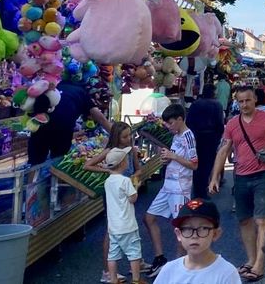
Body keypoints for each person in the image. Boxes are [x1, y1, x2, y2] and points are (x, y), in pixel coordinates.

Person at [209, 86, 265, 281]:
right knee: (244, 220)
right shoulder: (233, 124)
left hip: (263, 176)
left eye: (247, 100)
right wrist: (215, 176)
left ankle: (260, 263)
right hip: (241, 177)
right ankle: (251, 259)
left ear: (255, 100)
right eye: (240, 101)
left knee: (262, 221)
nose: (244, 105)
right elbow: (223, 150)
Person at [144, 104, 198, 277]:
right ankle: (160, 258)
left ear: (180, 119)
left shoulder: (189, 136)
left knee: (180, 229)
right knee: (148, 218)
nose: (168, 126)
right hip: (168, 186)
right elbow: (174, 157)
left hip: (180, 188)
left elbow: (194, 164)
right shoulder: (176, 136)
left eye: (170, 122)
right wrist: (166, 158)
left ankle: (180, 267)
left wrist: (173, 156)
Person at [85, 122, 142, 283]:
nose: (128, 138)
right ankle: (108, 271)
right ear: (116, 137)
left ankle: (132, 263)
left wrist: (135, 179)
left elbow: (138, 169)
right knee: (112, 230)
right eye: (124, 136)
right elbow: (88, 165)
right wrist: (110, 170)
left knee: (127, 225)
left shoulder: (131, 151)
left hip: (127, 188)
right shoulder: (111, 152)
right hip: (116, 191)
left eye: (129, 135)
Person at [153, 198, 241, 284]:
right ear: (178, 234)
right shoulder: (169, 270)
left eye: (203, 228)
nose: (194, 236)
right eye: (187, 229)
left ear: (215, 234)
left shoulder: (227, 274)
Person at [27, 78, 112, 165]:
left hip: (39, 127)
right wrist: (116, 133)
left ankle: (31, 177)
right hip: (62, 131)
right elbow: (100, 118)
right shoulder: (83, 93)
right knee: (58, 162)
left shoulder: (58, 85)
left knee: (35, 163)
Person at [103, 147, 142, 284]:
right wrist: (136, 186)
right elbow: (133, 199)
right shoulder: (125, 181)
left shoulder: (108, 181)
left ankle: (113, 279)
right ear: (122, 164)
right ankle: (136, 280)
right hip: (127, 225)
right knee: (134, 253)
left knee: (112, 255)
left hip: (113, 226)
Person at [186, 85, 226, 200]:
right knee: (207, 164)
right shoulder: (217, 105)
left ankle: (197, 190)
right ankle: (202, 190)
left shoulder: (196, 104)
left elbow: (189, 121)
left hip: (196, 137)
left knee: (196, 163)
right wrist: (219, 138)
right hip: (210, 138)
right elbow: (220, 124)